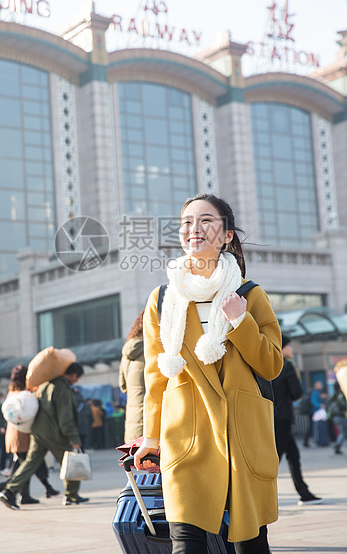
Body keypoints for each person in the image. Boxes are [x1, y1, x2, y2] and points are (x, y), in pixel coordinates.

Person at [134, 193, 283, 554]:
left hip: (241, 432)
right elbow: (155, 377)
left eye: (206, 221)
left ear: (227, 235)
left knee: (251, 542)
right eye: (187, 222)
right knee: (185, 541)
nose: (194, 229)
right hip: (186, 430)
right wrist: (149, 438)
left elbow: (272, 364)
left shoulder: (249, 294)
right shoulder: (162, 300)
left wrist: (239, 320)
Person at [0, 362, 89, 510]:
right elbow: (65, 417)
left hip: (38, 431)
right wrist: (74, 438)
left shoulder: (45, 384)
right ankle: (71, 495)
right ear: (72, 374)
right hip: (54, 433)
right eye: (77, 377)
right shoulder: (62, 388)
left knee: (30, 463)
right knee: (70, 460)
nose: (76, 381)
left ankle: (9, 491)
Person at [0, 365, 60, 504]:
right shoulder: (24, 394)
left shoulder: (11, 392)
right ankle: (13, 490)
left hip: (13, 434)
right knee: (28, 466)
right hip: (22, 436)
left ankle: (33, 491)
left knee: (27, 465)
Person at [272, 334, 322, 505]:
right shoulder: (286, 366)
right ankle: (260, 496)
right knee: (275, 459)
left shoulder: (267, 364)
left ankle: (304, 493)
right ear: (282, 346)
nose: (291, 349)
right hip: (283, 418)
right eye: (289, 346)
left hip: (271, 418)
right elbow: (296, 393)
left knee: (293, 455)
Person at [119, 310, 145, 442]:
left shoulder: (126, 354)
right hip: (149, 425)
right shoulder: (151, 349)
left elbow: (123, 386)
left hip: (131, 424)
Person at [328, 382, 347, 455]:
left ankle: (337, 446)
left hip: (334, 417)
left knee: (342, 432)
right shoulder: (340, 396)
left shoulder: (333, 396)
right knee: (343, 433)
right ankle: (337, 445)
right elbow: (343, 405)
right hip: (340, 416)